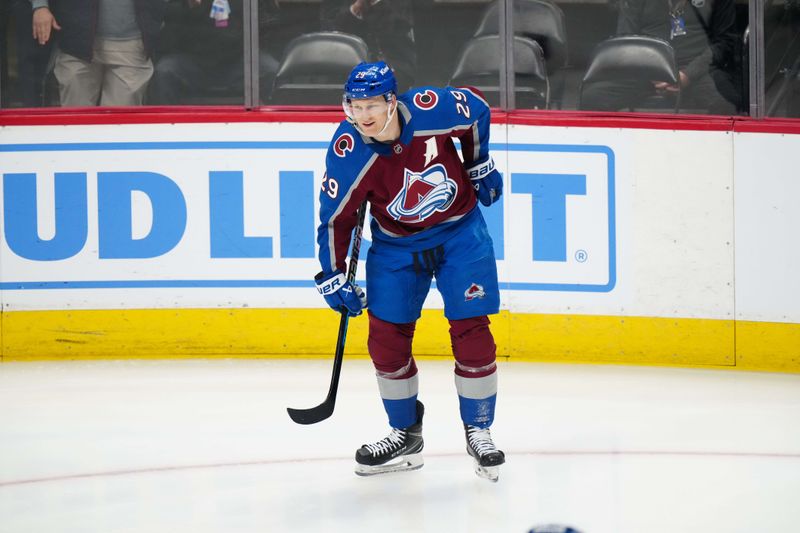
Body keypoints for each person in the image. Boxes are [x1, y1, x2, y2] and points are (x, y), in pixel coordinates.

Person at [314, 61, 505, 481]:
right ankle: (405, 434)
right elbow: (336, 218)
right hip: (396, 249)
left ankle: (479, 429)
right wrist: (331, 275)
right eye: (353, 106)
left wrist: (478, 163)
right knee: (385, 337)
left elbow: (475, 109)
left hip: (460, 235)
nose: (362, 116)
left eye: (370, 106)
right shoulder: (349, 150)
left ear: (390, 101)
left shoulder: (430, 109)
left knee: (471, 326)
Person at [581, 0, 741, 114]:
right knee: (593, 97)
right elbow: (625, 40)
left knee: (726, 101)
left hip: (698, 70)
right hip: (646, 69)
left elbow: (725, 43)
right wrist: (653, 71)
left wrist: (688, 74)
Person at [30, 0, 165, 107]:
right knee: (75, 125)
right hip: (76, 40)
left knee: (118, 128)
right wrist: (40, 6)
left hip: (131, 42)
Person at [148, 0, 280, 105]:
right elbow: (167, 21)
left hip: (238, 62)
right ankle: (170, 129)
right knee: (164, 72)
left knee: (271, 70)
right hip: (194, 63)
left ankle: (267, 128)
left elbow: (267, 25)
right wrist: (189, 7)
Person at [320, 0, 416, 92]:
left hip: (393, 62)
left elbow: (399, 27)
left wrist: (376, 3)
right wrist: (355, 9)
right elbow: (330, 30)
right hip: (342, 69)